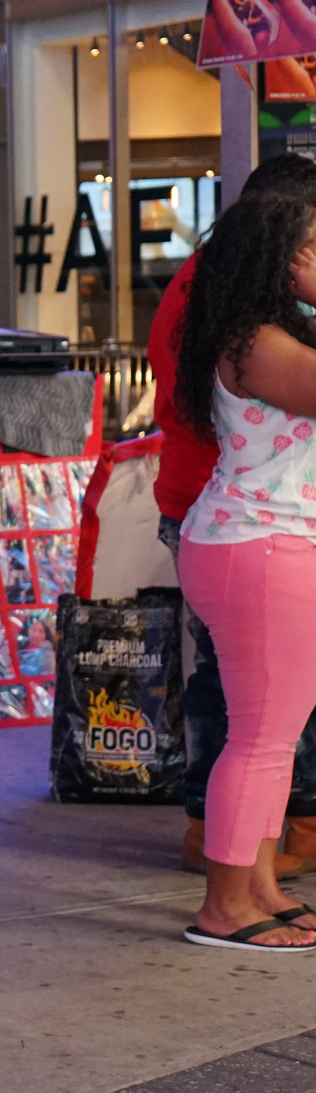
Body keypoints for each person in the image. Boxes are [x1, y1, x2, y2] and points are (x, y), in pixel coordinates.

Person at [150, 152, 316, 878]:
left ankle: (252, 877)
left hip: (255, 527)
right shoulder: (251, 334)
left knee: (264, 727)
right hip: (255, 533)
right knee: (257, 730)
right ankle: (235, 889)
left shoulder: (245, 312)